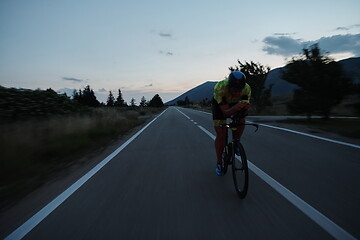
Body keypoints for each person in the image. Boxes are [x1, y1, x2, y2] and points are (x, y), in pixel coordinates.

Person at [212, 71, 251, 176]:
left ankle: (236, 142)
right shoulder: (220, 88)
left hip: (235, 102)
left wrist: (244, 110)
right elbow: (225, 113)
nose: (237, 92)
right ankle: (219, 162)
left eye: (240, 90)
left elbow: (245, 110)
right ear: (229, 86)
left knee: (241, 119)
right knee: (221, 134)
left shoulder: (246, 89)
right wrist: (236, 108)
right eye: (234, 90)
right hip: (220, 105)